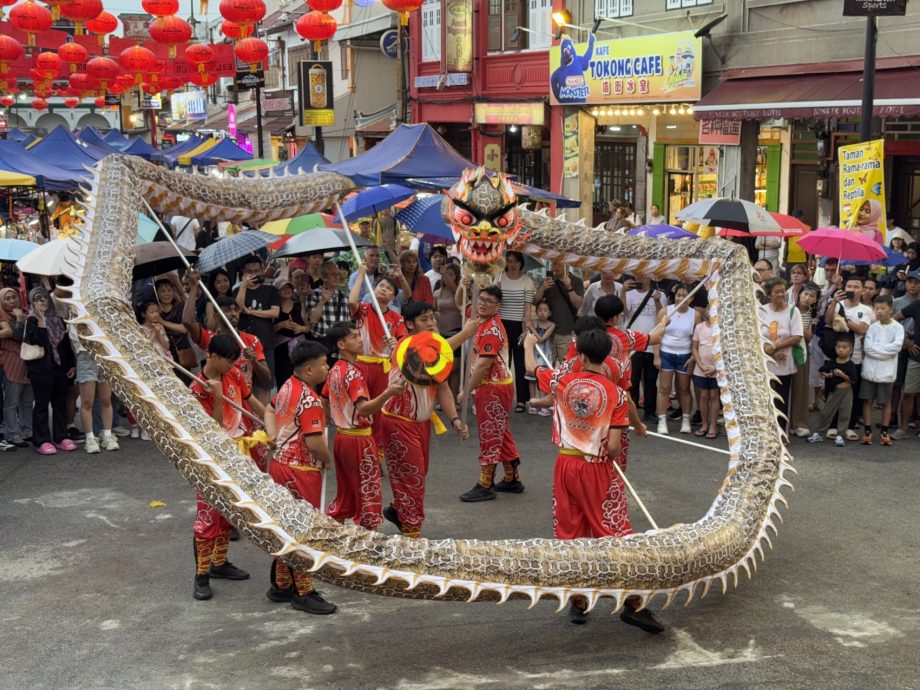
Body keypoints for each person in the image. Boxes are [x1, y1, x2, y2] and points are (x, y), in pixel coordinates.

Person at [524, 326, 664, 633]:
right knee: (614, 533)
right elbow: (614, 446)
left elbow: (532, 369)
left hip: (565, 463)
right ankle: (633, 603)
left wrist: (530, 344)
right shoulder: (615, 393)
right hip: (598, 467)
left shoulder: (562, 380)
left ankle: (578, 601)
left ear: (582, 355)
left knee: (570, 531)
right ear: (607, 354)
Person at [190, 334, 274, 601]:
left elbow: (251, 401)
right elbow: (211, 430)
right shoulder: (195, 389)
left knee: (230, 513)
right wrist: (216, 397)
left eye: (233, 362)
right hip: (212, 455)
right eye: (227, 361)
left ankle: (220, 562)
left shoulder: (235, 373)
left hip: (238, 450)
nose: (231, 366)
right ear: (211, 355)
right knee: (208, 517)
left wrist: (270, 424)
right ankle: (201, 575)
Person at [379, 301, 473, 537]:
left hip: (420, 424)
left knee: (418, 473)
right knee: (411, 476)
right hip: (398, 423)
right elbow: (427, 352)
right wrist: (465, 334)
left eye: (432, 318)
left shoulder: (435, 352)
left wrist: (454, 419)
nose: (431, 323)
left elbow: (442, 388)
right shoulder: (406, 346)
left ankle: (398, 510)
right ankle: (412, 534)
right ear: (409, 325)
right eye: (424, 320)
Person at [266, 340, 337, 615]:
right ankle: (304, 591)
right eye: (323, 364)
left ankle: (282, 584)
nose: (326, 367)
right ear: (309, 369)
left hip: (280, 466)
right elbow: (315, 443)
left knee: (286, 527)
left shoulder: (288, 386)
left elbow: (269, 409)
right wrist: (327, 460)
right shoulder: (309, 400)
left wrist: (273, 436)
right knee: (302, 531)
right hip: (300, 472)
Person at [323, 321, 406, 531]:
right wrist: (388, 393)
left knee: (346, 492)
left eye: (359, 335)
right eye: (354, 337)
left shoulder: (335, 370)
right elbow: (364, 409)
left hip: (341, 437)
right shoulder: (353, 373)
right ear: (341, 344)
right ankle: (368, 544)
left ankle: (329, 536)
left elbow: (324, 401)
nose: (360, 340)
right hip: (359, 438)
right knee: (368, 490)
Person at [459, 286, 523, 503]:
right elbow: (461, 304)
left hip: (493, 386)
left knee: (490, 433)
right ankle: (512, 477)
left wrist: (467, 389)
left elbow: (483, 365)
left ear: (499, 306)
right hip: (495, 385)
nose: (483, 303)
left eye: (489, 301)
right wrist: (462, 284)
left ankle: (485, 483)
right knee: (500, 431)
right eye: (481, 299)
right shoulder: (478, 320)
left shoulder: (491, 330)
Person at [182, 269, 271, 397]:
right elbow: (187, 322)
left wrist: (254, 361)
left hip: (243, 403)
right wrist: (194, 286)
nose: (234, 314)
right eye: (228, 310)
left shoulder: (252, 340)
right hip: (215, 401)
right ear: (217, 316)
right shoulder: (210, 339)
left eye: (236, 310)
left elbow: (267, 377)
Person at [348, 265, 407, 451]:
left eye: (389, 289)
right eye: (381, 285)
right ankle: (361, 448)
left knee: (380, 410)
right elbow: (351, 302)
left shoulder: (397, 318)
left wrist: (395, 345)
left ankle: (377, 452)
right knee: (361, 407)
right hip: (362, 365)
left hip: (384, 369)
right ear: (374, 288)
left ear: (392, 297)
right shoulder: (363, 310)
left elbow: (403, 344)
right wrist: (361, 275)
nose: (384, 289)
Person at [24, 287, 76, 455]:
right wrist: (40, 321)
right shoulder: (31, 320)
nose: (42, 302)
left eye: (44, 298)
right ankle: (42, 440)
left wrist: (71, 365)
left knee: (59, 402)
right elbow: (36, 341)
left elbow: (66, 345)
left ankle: (61, 436)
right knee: (41, 405)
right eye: (37, 299)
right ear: (32, 302)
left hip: (59, 369)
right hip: (40, 370)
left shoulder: (57, 319)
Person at [824, 276, 872, 439]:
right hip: (835, 355)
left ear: (862, 290)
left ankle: (850, 425)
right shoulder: (838, 304)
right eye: (849, 286)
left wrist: (845, 321)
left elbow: (862, 329)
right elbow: (828, 321)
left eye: (856, 286)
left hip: (855, 357)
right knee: (833, 391)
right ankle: (832, 425)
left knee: (853, 392)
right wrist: (833, 302)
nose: (852, 289)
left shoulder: (865, 310)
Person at [68, 313, 119, 454]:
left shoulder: (101, 313)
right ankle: (90, 437)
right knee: (87, 402)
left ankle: (107, 434)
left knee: (105, 400)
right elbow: (76, 340)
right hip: (86, 357)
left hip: (105, 357)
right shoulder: (75, 317)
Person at [653, 283, 699, 435]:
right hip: (666, 352)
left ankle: (686, 419)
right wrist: (657, 356)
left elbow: (696, 339)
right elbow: (657, 335)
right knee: (664, 388)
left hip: (685, 355)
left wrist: (693, 357)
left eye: (685, 295)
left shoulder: (695, 315)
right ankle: (662, 421)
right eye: (678, 295)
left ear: (691, 298)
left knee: (684, 389)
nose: (681, 298)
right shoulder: (665, 311)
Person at [859, 295, 904, 445]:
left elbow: (896, 347)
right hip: (869, 370)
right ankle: (867, 430)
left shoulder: (898, 328)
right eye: (876, 308)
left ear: (891, 309)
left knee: (885, 401)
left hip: (887, 372)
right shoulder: (872, 327)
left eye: (883, 308)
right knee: (868, 400)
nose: (879, 311)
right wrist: (884, 352)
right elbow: (867, 348)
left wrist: (878, 351)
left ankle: (884, 430)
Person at [235, 256, 280, 403]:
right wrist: (243, 286)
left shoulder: (270, 290)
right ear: (243, 272)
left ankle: (262, 421)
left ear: (262, 270)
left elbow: (274, 312)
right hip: (243, 345)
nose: (254, 274)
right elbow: (238, 309)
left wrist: (251, 312)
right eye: (249, 271)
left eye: (257, 270)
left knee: (265, 382)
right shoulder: (238, 290)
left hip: (265, 343)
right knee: (243, 382)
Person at [760, 277, 803, 427]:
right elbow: (756, 336)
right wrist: (770, 352)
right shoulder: (762, 310)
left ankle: (781, 432)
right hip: (765, 363)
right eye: (776, 292)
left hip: (785, 363)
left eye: (783, 291)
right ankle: (766, 430)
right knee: (765, 398)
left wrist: (776, 346)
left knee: (782, 399)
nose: (780, 294)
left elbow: (797, 336)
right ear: (768, 294)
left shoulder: (793, 311)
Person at [496, 251, 535, 412]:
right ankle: (500, 398)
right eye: (509, 261)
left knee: (520, 364)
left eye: (515, 262)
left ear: (521, 263)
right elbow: (495, 302)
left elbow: (527, 309)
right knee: (502, 363)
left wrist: (525, 330)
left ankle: (521, 400)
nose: (512, 265)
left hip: (518, 325)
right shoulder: (499, 277)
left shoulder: (527, 281)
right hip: (501, 324)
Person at [622, 275, 663, 421]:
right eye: (637, 276)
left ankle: (650, 411)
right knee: (632, 379)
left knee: (651, 380)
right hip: (634, 343)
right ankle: (630, 412)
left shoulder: (659, 294)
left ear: (649, 278)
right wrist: (622, 292)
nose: (639, 279)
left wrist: (657, 301)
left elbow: (662, 316)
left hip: (652, 343)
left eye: (643, 276)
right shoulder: (628, 294)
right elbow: (623, 313)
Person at [807, 336, 859, 447]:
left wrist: (843, 375)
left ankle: (840, 435)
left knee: (845, 413)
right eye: (839, 347)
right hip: (834, 390)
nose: (841, 349)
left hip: (846, 391)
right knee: (826, 411)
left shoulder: (851, 364)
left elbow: (853, 380)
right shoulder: (832, 362)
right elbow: (821, 370)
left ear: (850, 350)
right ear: (835, 349)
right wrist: (828, 374)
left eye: (844, 347)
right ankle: (819, 432)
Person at [533, 258, 584, 363]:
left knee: (565, 364)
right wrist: (542, 288)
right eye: (554, 264)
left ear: (567, 264)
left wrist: (569, 287)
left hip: (566, 332)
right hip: (548, 331)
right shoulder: (548, 280)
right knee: (547, 365)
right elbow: (535, 301)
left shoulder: (576, 281)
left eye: (559, 264)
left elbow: (577, 304)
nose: (556, 267)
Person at [0, 287, 32, 448]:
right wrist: (19, 319)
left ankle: (27, 431)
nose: (12, 301)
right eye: (7, 298)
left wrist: (22, 317)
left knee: (27, 400)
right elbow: (17, 336)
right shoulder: (3, 318)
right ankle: (13, 433)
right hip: (11, 363)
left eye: (14, 297)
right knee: (12, 402)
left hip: (27, 362)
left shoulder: (25, 314)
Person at [789, 283, 820, 438]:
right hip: (785, 350)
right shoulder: (789, 309)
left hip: (801, 351)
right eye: (805, 294)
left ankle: (799, 422)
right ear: (799, 294)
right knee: (785, 387)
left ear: (816, 300)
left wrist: (800, 323)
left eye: (812, 296)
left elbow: (808, 337)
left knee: (801, 387)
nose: (808, 298)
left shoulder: (814, 316)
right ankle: (785, 422)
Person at [893, 271, 920, 438]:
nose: (913, 285)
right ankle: (902, 428)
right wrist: (905, 340)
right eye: (910, 281)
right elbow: (893, 320)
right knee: (909, 392)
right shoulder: (916, 305)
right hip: (916, 355)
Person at [433, 263, 463, 396]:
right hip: (440, 332)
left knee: (455, 368)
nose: (447, 277)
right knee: (442, 367)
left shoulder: (459, 291)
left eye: (452, 275)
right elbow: (433, 309)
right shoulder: (437, 292)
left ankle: (454, 397)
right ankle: (442, 398)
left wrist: (447, 276)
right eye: (446, 274)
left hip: (456, 331)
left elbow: (458, 295)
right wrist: (435, 315)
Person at [305, 260, 351, 345]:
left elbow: (348, 322)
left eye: (338, 274)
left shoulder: (345, 296)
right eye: (333, 274)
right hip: (321, 344)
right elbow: (313, 320)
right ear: (325, 277)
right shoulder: (314, 294)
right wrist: (321, 302)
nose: (337, 277)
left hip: (341, 343)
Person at [272, 278, 308, 385]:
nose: (286, 290)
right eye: (282, 288)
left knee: (302, 376)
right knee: (284, 377)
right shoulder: (274, 308)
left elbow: (308, 326)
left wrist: (302, 329)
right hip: (281, 349)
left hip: (300, 346)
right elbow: (270, 330)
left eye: (288, 288)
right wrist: (282, 324)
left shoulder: (299, 305)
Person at [691, 310, 719, 439]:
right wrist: (701, 365)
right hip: (701, 368)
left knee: (714, 395)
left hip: (716, 368)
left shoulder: (721, 327)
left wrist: (715, 367)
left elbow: (725, 349)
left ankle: (713, 425)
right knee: (703, 395)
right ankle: (704, 424)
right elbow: (695, 348)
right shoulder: (699, 327)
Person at [526, 301, 555, 415]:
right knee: (531, 378)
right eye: (540, 310)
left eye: (545, 310)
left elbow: (541, 339)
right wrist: (528, 327)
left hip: (545, 355)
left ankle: (542, 403)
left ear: (550, 313)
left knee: (544, 378)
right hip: (534, 353)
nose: (542, 313)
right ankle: (532, 402)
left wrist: (531, 328)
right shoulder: (533, 322)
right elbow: (528, 336)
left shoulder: (551, 325)